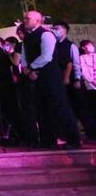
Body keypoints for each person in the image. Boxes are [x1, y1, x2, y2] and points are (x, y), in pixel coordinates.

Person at [20, 10, 81, 149]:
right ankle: (48, 140)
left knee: (60, 108)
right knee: (41, 109)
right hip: (35, 78)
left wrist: (31, 68)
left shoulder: (46, 35)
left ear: (37, 20)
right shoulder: (27, 38)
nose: (25, 21)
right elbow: (24, 58)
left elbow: (47, 56)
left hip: (50, 77)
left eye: (27, 19)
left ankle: (73, 140)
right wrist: (27, 70)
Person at [79, 40, 96, 140]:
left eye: (91, 45)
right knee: (91, 109)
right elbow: (84, 72)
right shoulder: (82, 58)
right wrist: (92, 81)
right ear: (83, 48)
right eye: (88, 45)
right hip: (89, 86)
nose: (91, 47)